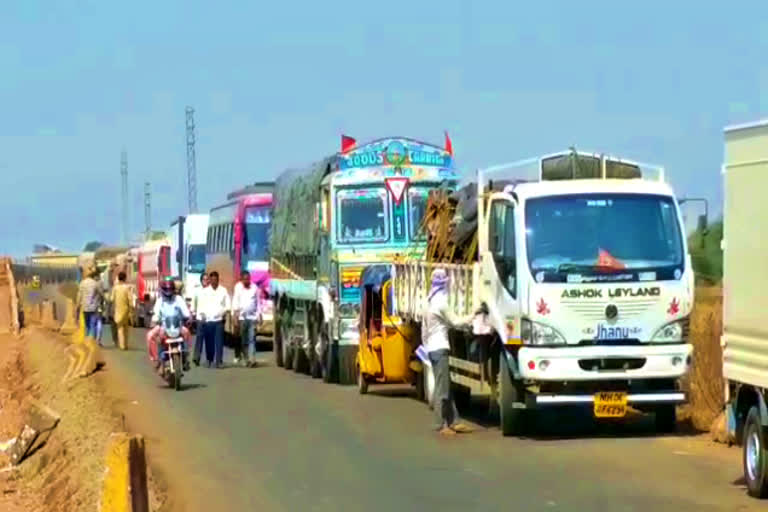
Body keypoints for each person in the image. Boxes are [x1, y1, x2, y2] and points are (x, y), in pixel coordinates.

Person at [423, 268, 475, 436]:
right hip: (440, 347)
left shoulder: (428, 301)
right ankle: (442, 424)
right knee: (442, 389)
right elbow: (456, 322)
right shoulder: (441, 303)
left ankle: (455, 421)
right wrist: (473, 315)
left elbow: (424, 329)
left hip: (431, 348)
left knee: (445, 385)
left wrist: (426, 345)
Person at [146, 278, 192, 372]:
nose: (168, 291)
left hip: (177, 325)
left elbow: (185, 311)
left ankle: (185, 357)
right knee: (150, 336)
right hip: (163, 326)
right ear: (163, 289)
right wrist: (154, 321)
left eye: (170, 289)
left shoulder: (178, 299)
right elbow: (156, 314)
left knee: (187, 333)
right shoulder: (160, 301)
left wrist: (188, 317)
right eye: (166, 289)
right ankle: (158, 359)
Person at [197, 271, 231, 368]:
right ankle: (209, 359)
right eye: (212, 280)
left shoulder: (223, 290)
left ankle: (219, 361)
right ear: (210, 281)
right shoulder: (205, 291)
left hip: (219, 320)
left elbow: (227, 303)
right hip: (208, 320)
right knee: (209, 342)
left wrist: (226, 312)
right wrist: (202, 315)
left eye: (215, 280)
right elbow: (201, 305)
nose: (213, 282)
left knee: (219, 342)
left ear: (218, 280)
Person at [232, 271, 261, 367]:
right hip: (242, 318)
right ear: (241, 279)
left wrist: (259, 315)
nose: (246, 281)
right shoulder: (238, 287)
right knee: (244, 340)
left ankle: (252, 359)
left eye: (248, 279)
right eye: (244, 279)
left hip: (252, 318)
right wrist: (235, 316)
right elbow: (235, 302)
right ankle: (246, 358)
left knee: (252, 339)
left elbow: (258, 303)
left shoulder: (254, 288)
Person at [76, 264, 103, 340]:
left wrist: (77, 308)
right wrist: (102, 301)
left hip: (85, 307)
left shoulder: (82, 283)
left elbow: (79, 297)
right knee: (93, 325)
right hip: (94, 308)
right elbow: (101, 294)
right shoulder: (95, 283)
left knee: (87, 325)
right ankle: (92, 342)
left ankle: (86, 340)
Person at [110, 271, 134, 350]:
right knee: (126, 328)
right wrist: (131, 309)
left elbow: (111, 299)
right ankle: (125, 344)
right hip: (126, 310)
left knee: (120, 328)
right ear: (125, 278)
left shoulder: (115, 288)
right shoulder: (127, 287)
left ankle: (122, 345)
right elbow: (130, 299)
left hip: (118, 310)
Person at [191, 273, 210, 366]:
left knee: (209, 340)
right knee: (199, 338)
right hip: (200, 318)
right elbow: (193, 303)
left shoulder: (212, 291)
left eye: (207, 279)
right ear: (201, 280)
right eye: (204, 279)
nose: (206, 281)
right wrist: (193, 313)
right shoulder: (197, 291)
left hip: (210, 319)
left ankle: (208, 359)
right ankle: (196, 357)